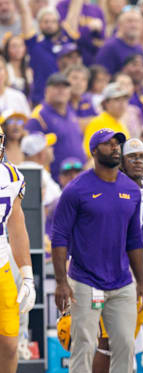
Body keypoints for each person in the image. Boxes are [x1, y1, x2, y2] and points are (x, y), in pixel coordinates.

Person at [51, 129, 143, 373]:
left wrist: (141, 281)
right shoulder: (76, 189)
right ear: (94, 151)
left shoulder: (132, 190)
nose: (115, 148)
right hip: (85, 282)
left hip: (122, 281)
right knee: (83, 343)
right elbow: (59, 237)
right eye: (108, 144)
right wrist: (62, 282)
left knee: (126, 345)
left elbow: (134, 238)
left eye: (117, 144)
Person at [92, 137, 143, 373]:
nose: (138, 161)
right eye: (132, 156)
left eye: (142, 156)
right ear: (121, 161)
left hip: (142, 278)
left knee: (126, 344)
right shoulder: (107, 186)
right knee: (107, 343)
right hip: (112, 276)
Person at [0, 130, 36, 373]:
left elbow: (17, 226)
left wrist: (27, 275)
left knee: (10, 343)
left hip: (1, 264)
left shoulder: (11, 175)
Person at [25, 73, 86, 181]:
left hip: (77, 175)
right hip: (54, 179)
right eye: (56, 87)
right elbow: (29, 151)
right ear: (46, 90)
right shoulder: (39, 115)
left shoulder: (70, 111)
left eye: (65, 87)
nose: (61, 90)